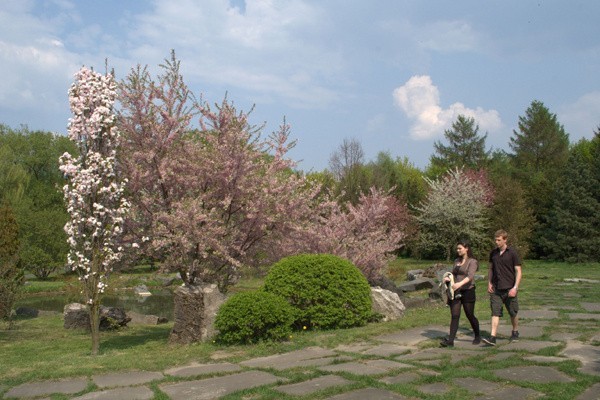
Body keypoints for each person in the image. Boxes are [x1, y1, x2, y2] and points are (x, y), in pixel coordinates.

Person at [482, 229, 522, 346]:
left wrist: (515, 287)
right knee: (495, 312)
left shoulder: (512, 253)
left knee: (513, 313)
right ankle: (492, 337)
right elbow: (490, 269)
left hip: (509, 288)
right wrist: (489, 282)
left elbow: (518, 271)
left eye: (499, 240)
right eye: (495, 240)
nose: (496, 242)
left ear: (505, 240)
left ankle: (515, 331)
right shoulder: (493, 253)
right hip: (496, 289)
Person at [440, 240, 481, 347]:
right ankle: (450, 341)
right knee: (455, 315)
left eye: (460, 248)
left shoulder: (473, 262)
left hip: (468, 291)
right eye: (457, 248)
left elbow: (470, 276)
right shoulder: (456, 260)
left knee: (469, 315)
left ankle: (477, 335)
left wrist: (460, 284)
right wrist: (448, 278)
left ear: (466, 248)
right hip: (456, 292)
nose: (458, 250)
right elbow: (453, 273)